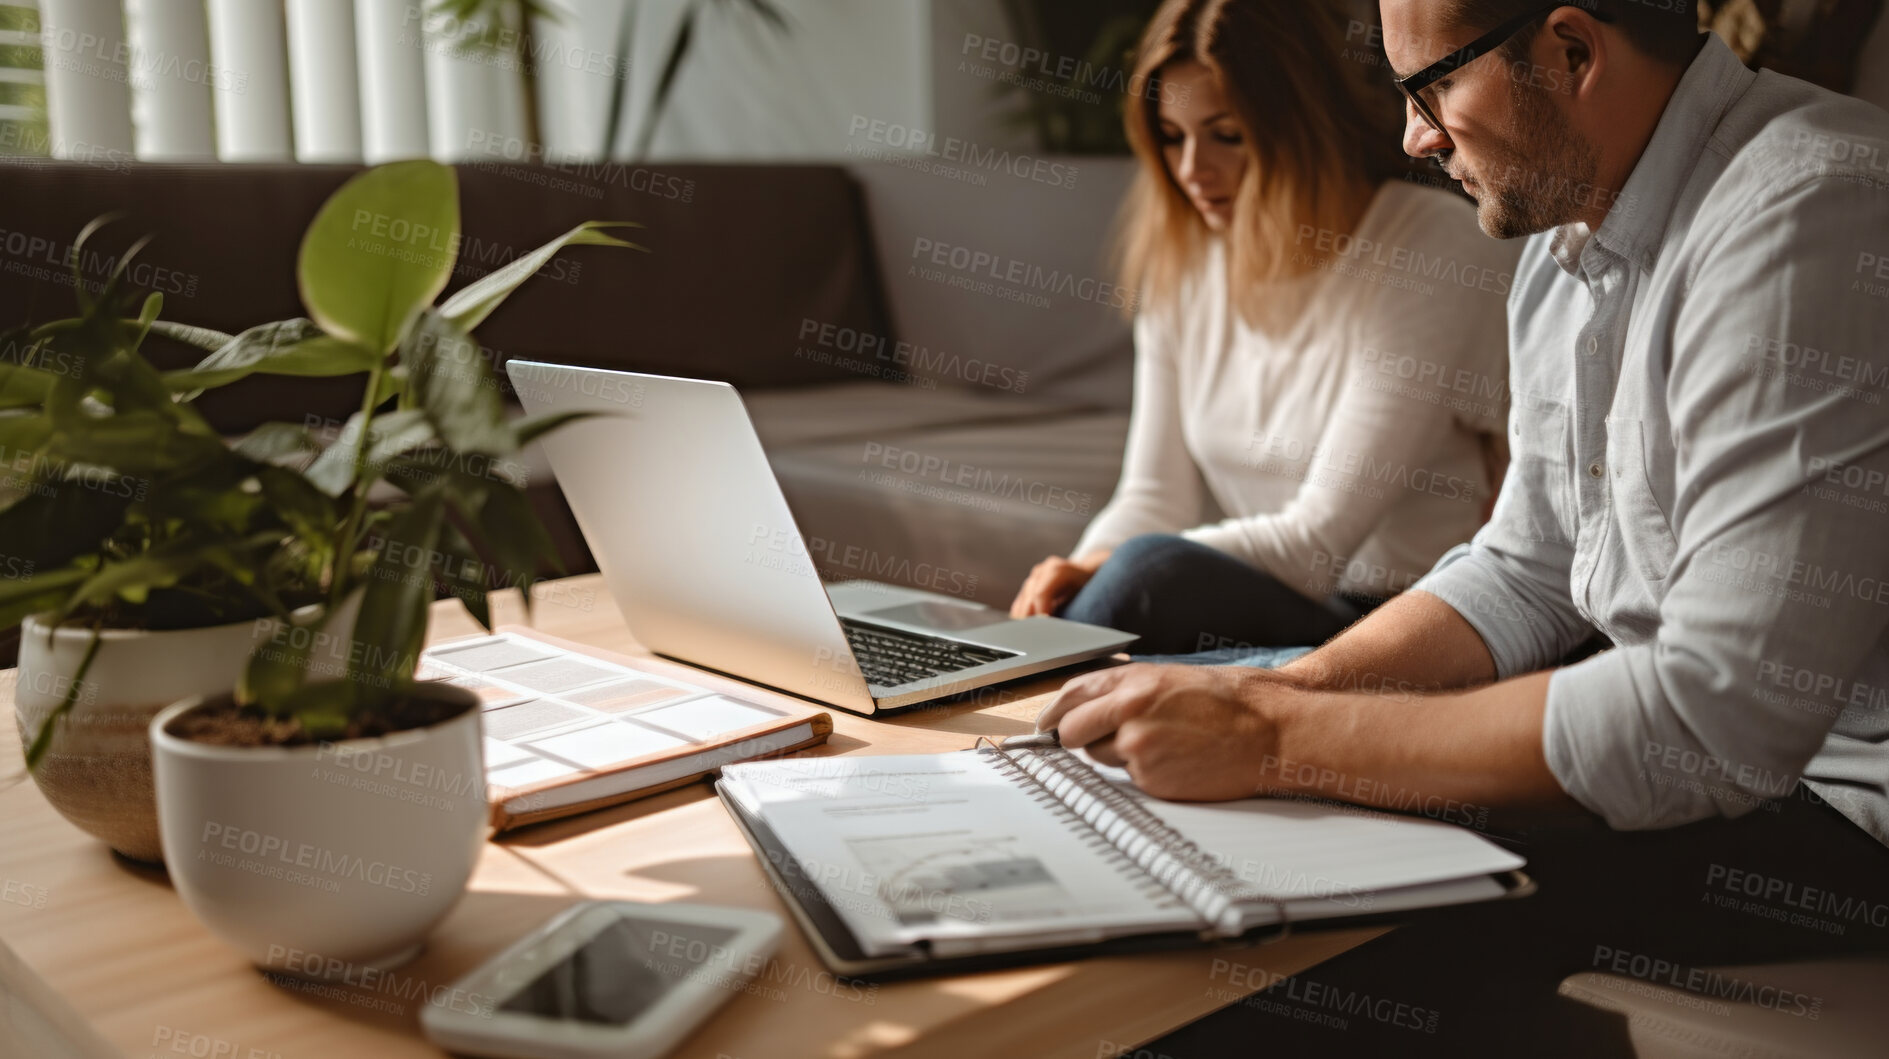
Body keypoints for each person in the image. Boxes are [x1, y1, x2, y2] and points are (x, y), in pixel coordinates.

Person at [1041, 1, 1889, 1052]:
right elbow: (1525, 568)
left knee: (1311, 901)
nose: (1412, 137)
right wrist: (1280, 690)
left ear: (1569, 50)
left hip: (1840, 814)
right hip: (1718, 757)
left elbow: (1708, 722)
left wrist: (1271, 735)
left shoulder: (1806, 210)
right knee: (1226, 801)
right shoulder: (1562, 240)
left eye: (1431, 86)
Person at [1007, 0, 1516, 656]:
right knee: (1112, 584)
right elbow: (1151, 496)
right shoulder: (1183, 260)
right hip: (1278, 602)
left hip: (1400, 614)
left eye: (1226, 134)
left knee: (1142, 578)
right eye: (1172, 135)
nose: (1192, 169)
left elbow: (1314, 545)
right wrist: (1066, 588)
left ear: (1300, 126)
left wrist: (1107, 571)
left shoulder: (1429, 248)